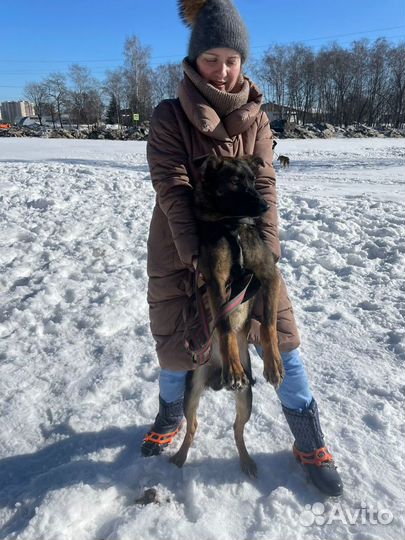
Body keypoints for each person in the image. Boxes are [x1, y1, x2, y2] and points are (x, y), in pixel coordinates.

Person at [142, 0, 343, 497]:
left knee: (282, 340)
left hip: (252, 246)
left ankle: (309, 439)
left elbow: (267, 184)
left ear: (243, 62)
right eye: (212, 58)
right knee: (178, 344)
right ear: (194, 61)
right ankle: (171, 417)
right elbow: (171, 186)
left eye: (232, 59)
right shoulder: (170, 115)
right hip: (183, 246)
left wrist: (267, 250)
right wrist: (195, 255)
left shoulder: (258, 118)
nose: (223, 70)